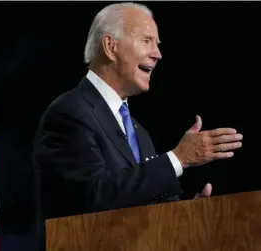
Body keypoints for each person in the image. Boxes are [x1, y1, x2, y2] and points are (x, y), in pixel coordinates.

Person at [32, 2, 243, 219]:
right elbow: (93, 196)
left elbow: (142, 205)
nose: (158, 54)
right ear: (110, 47)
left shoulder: (139, 133)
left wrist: (185, 216)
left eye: (157, 44)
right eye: (146, 41)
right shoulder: (69, 114)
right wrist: (178, 159)